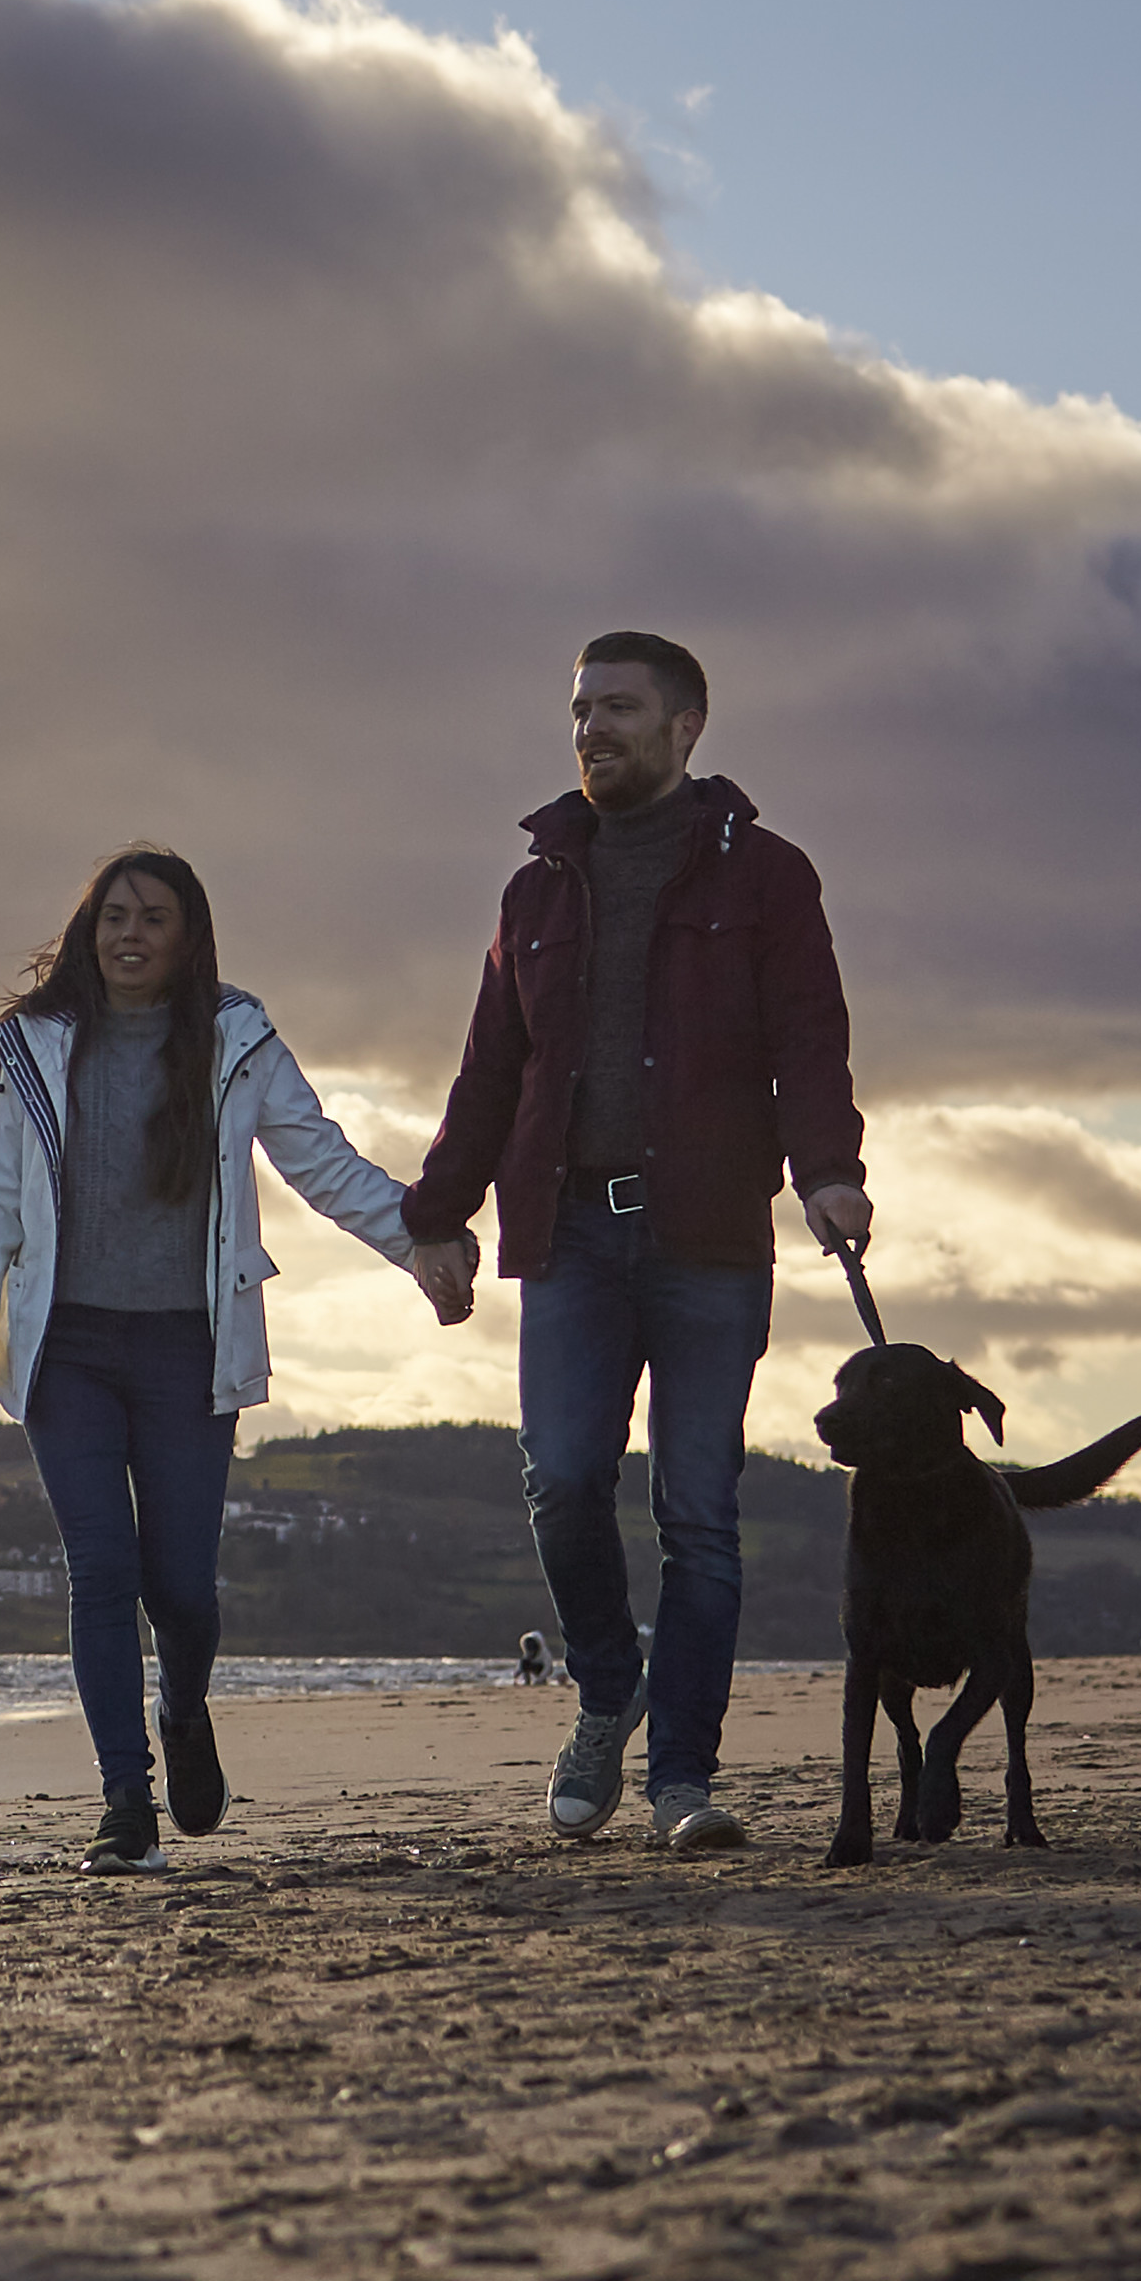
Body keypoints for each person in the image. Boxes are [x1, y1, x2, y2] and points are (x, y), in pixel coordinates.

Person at [396, 633, 870, 1857]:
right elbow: (493, 1067)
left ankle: (684, 1781)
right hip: (567, 1232)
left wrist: (827, 1173)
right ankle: (610, 1689)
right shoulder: (537, 888)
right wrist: (435, 1215)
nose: (591, 728)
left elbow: (809, 1037)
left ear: (686, 725)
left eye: (618, 706)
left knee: (700, 1511)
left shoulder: (766, 876)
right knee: (561, 1476)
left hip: (709, 1233)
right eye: (579, 709)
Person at [0, 846, 469, 1875]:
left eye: (153, 919)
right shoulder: (37, 1046)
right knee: (102, 1568)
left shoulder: (236, 1038)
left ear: (189, 937)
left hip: (189, 1344)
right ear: (91, 935)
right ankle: (123, 1804)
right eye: (114, 918)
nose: (130, 935)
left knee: (180, 1586)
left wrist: (420, 1244)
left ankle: (184, 1707)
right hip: (67, 1350)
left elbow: (320, 1158)